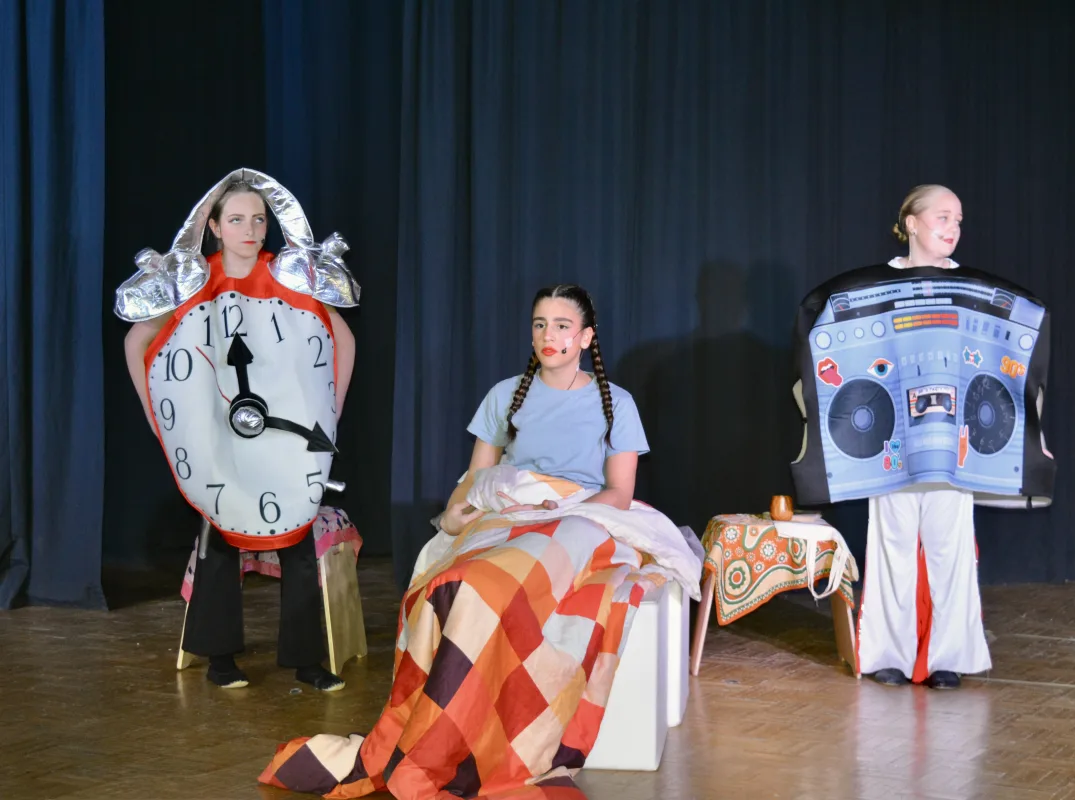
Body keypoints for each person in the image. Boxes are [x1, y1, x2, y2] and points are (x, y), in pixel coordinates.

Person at [260, 284, 700, 799]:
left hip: (581, 516)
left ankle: (480, 738)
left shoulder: (615, 403)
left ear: (585, 337)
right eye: (540, 324)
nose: (549, 334)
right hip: (510, 507)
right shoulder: (505, 395)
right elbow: (477, 478)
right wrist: (454, 514)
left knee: (505, 581)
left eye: (562, 325)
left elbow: (619, 493)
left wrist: (559, 509)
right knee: (456, 582)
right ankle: (445, 729)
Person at [121, 176, 356, 691]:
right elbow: (138, 341)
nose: (250, 230)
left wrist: (330, 412)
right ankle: (220, 659)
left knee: (297, 541)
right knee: (219, 542)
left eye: (258, 220)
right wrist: (154, 413)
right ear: (213, 227)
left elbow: (339, 337)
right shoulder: (191, 282)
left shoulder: (291, 276)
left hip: (284, 437)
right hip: (220, 440)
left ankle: (307, 662)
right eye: (236, 220)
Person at [857, 184, 992, 690]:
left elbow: (998, 366)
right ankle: (887, 655)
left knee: (951, 549)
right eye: (943, 217)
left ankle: (947, 658)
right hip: (894, 439)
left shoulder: (973, 289)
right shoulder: (875, 288)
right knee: (890, 545)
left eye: (958, 220)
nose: (953, 228)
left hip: (953, 443)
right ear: (911, 223)